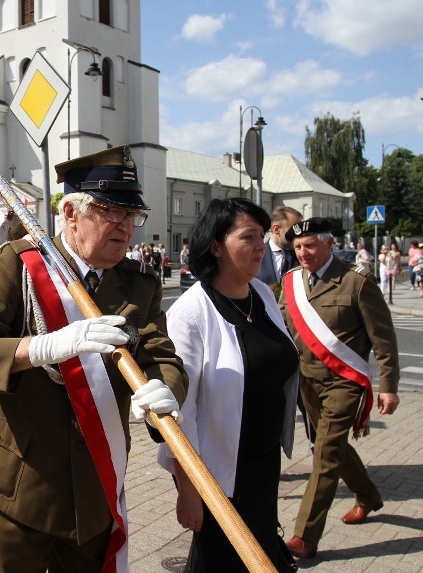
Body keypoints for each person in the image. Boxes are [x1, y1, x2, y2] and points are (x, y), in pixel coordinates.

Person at [0, 146, 188, 573]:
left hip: (94, 489)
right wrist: (39, 348)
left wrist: (164, 388)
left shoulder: (137, 284)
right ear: (71, 213)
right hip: (16, 491)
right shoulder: (17, 265)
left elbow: (159, 353)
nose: (126, 227)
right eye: (112, 211)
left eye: (133, 216)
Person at [161, 198, 299, 572]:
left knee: (257, 552)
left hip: (262, 462)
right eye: (249, 237)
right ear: (218, 245)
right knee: (220, 561)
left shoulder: (264, 295)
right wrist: (188, 488)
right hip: (216, 472)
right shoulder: (190, 313)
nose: (260, 247)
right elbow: (178, 412)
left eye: (261, 236)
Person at [279, 217, 400, 559]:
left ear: (329, 244)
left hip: (343, 382)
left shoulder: (356, 283)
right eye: (298, 247)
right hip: (306, 383)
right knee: (331, 446)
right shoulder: (291, 283)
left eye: (310, 246)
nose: (303, 253)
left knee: (326, 454)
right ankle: (368, 495)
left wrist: (388, 386)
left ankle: (305, 536)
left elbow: (384, 340)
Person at [256, 206, 302, 286]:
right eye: (294, 229)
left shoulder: (302, 256)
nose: (298, 234)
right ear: (276, 229)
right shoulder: (256, 254)